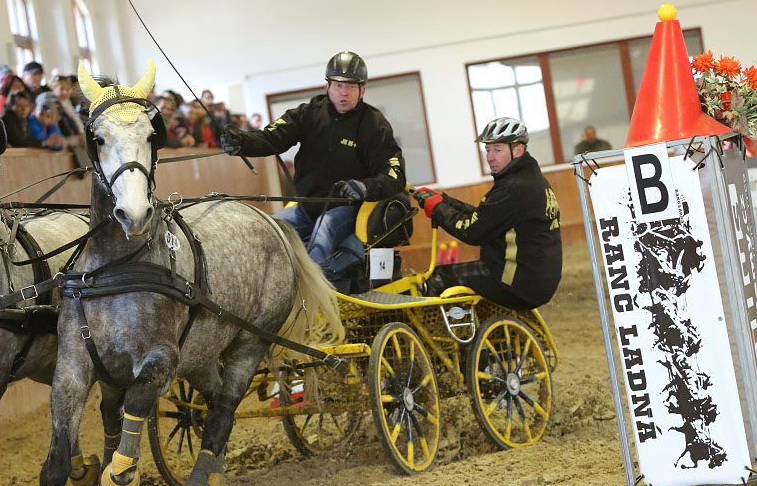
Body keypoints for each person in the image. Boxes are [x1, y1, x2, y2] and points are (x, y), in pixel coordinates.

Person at [220, 51, 405, 275]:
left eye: (351, 86)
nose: (343, 93)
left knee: (322, 236)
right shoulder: (308, 113)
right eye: (338, 85)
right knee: (266, 230)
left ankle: (314, 300)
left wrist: (365, 186)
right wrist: (241, 141)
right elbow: (271, 137)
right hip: (306, 209)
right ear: (327, 87)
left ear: (362, 90)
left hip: (347, 210)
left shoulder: (375, 125)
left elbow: (395, 175)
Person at [415, 117, 561, 310]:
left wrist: (436, 209)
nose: (490, 157)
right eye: (487, 149)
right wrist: (445, 201)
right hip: (535, 280)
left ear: (518, 150)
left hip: (515, 283)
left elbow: (473, 231)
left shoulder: (513, 188)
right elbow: (487, 217)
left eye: (497, 149)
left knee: (435, 278)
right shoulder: (531, 180)